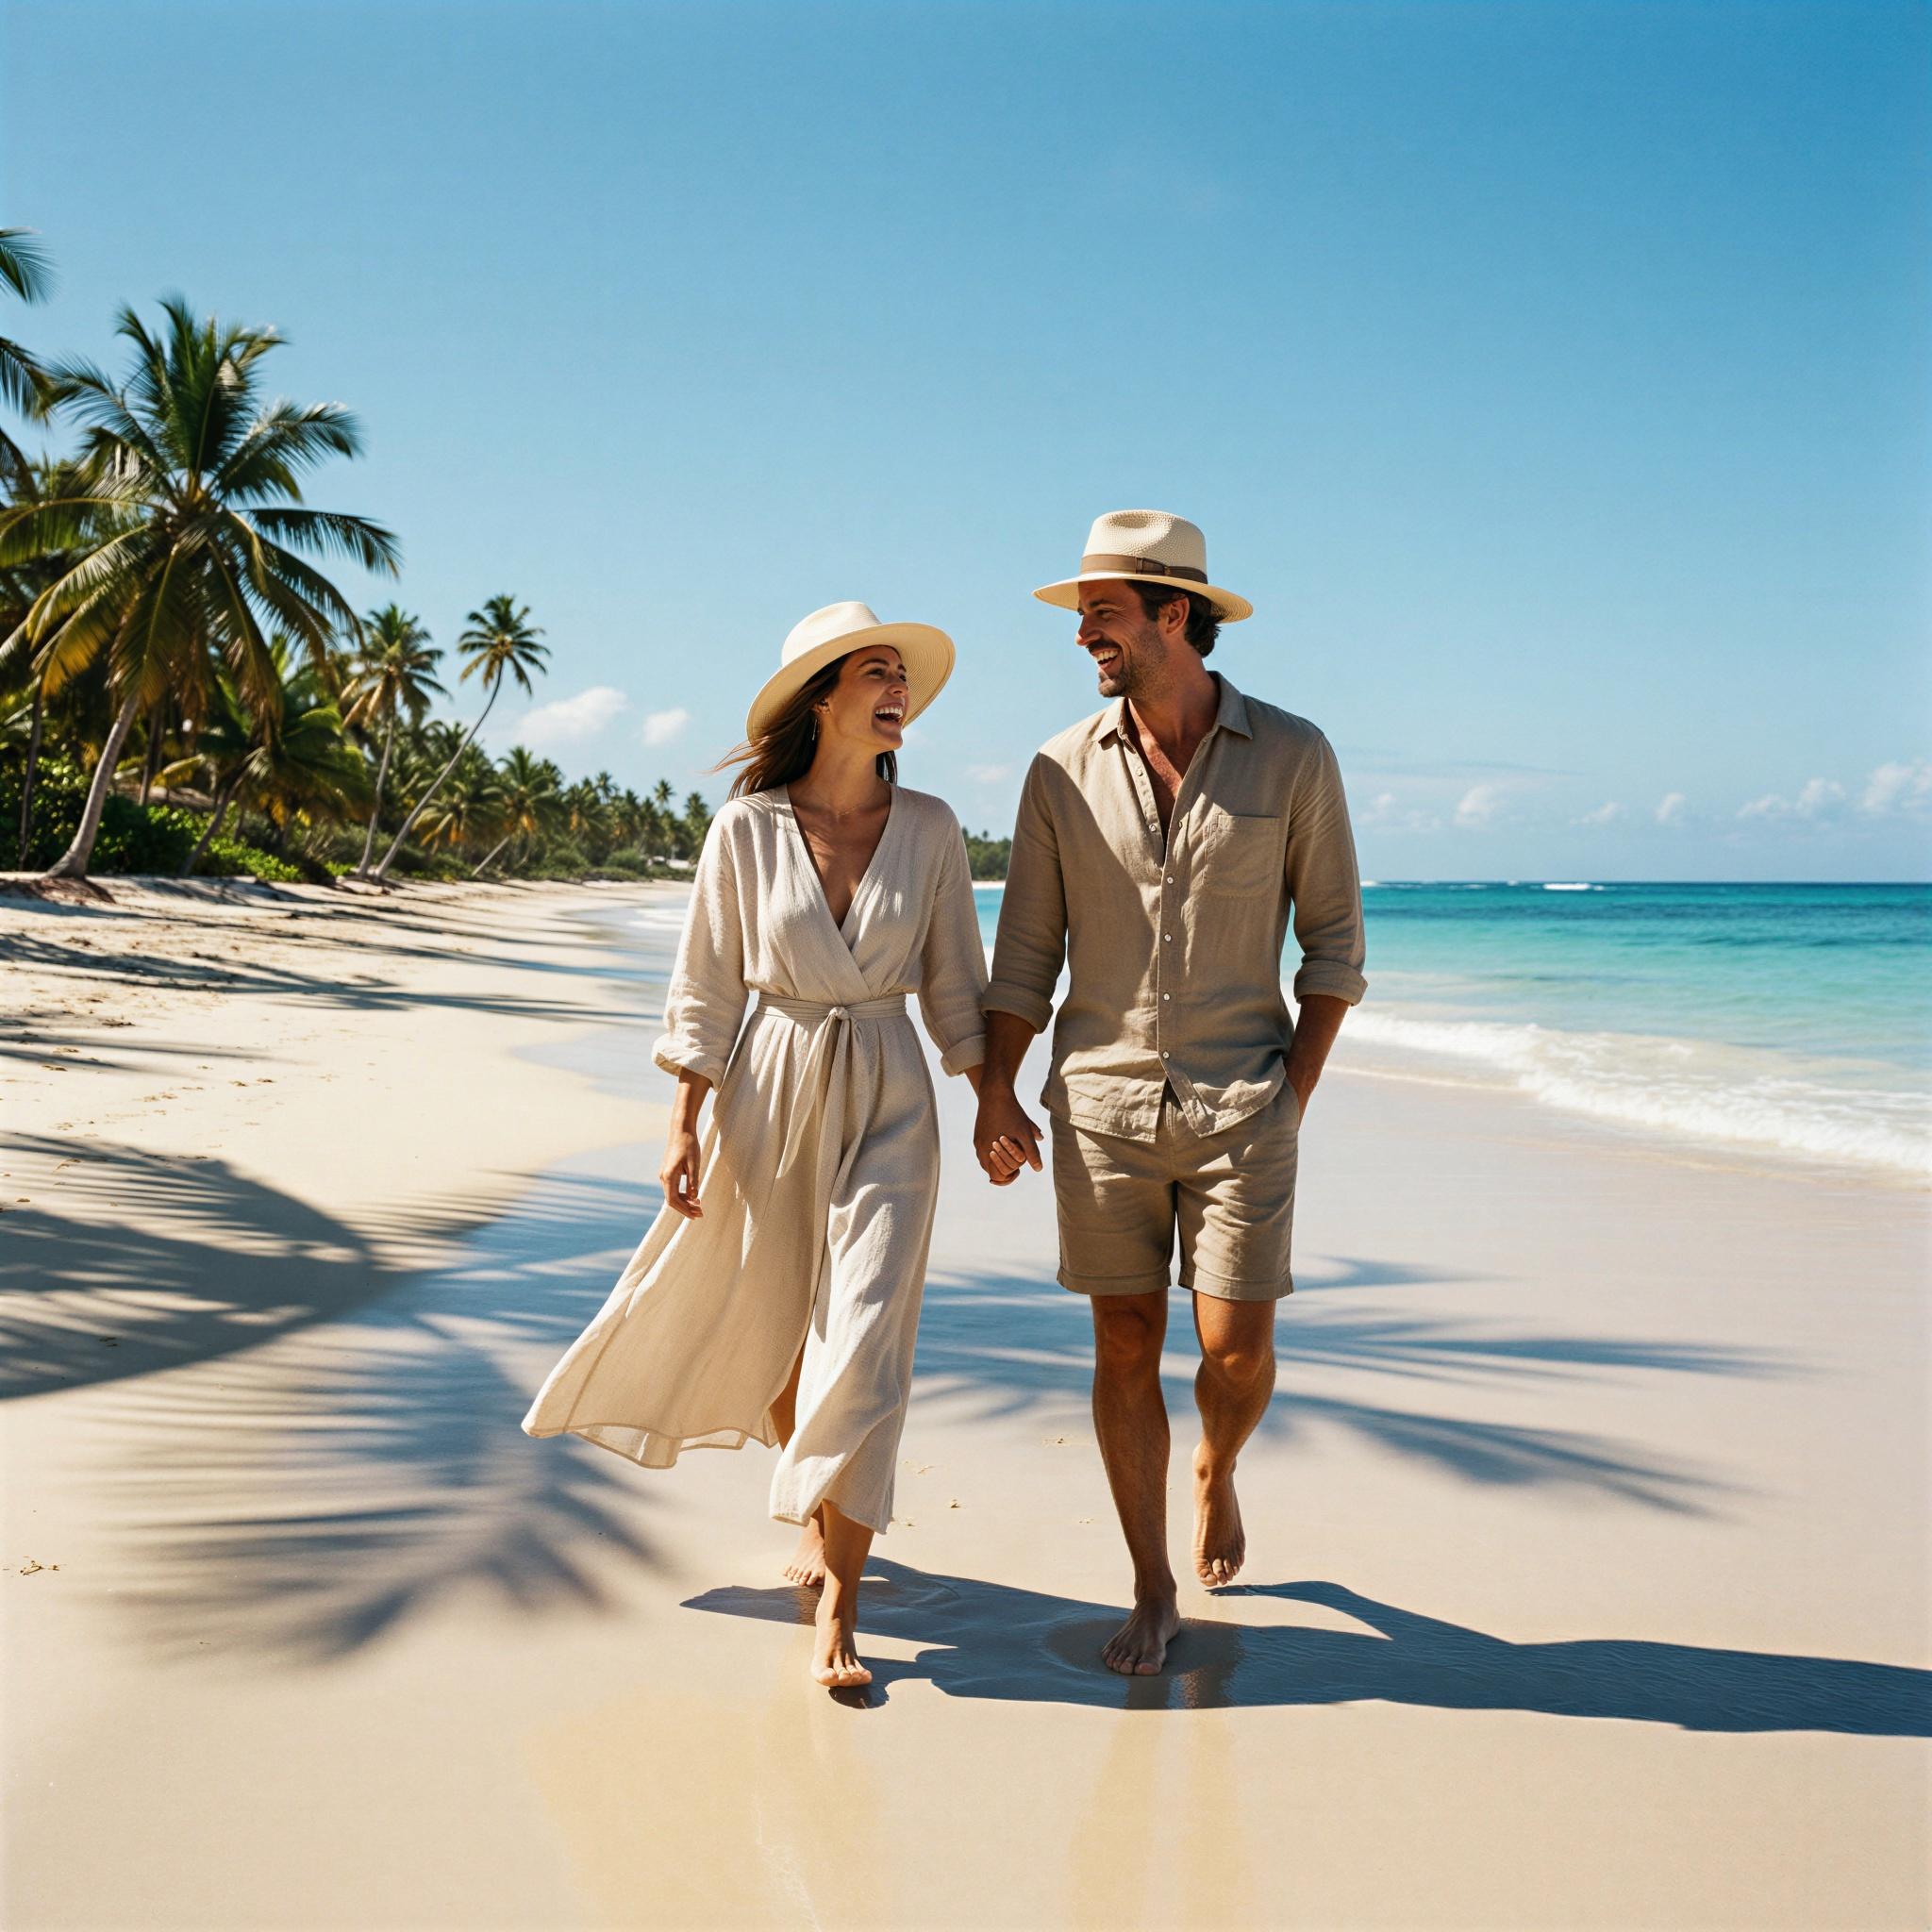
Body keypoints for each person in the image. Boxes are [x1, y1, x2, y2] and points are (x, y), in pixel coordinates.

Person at [524, 601, 1024, 1690]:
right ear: (821, 697)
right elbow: (703, 983)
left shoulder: (933, 827)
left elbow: (955, 985)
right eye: (875, 672)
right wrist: (682, 1123)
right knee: (788, 1306)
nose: (899, 688)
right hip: (771, 1074)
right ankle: (813, 1510)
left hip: (891, 1082)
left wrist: (992, 1097)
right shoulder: (745, 828)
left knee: (866, 1327)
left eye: (903, 674)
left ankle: (839, 1601)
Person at [973, 510, 1367, 1677]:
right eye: (1083, 613)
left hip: (1247, 1104)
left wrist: (1291, 1091)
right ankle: (1149, 1581)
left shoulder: (1293, 754)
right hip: (1097, 1110)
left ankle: (1219, 1465)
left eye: (1100, 611)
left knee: (1235, 1352)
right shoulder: (1056, 767)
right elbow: (1023, 955)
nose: (1082, 633)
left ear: (1171, 614)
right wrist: (996, 1088)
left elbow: (1334, 944)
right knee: (1124, 1339)